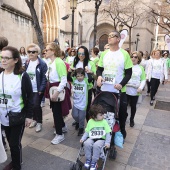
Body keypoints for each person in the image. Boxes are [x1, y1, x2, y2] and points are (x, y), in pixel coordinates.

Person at [0, 46, 33, 170]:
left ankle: (17, 166)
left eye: (6, 58)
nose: (3, 60)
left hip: (17, 116)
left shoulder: (22, 76)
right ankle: (15, 161)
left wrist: (29, 116)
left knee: (14, 144)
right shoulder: (0, 74)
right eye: (1, 57)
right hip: (2, 116)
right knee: (10, 141)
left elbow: (30, 96)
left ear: (15, 60)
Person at [97, 30, 133, 139]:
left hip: (119, 90)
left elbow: (129, 73)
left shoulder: (124, 54)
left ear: (118, 39)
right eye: (109, 36)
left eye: (113, 36)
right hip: (105, 89)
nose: (110, 37)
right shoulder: (104, 53)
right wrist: (99, 76)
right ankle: (105, 133)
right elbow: (99, 69)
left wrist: (121, 84)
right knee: (105, 112)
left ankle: (122, 129)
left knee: (121, 113)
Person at [44, 42, 71, 145]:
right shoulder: (52, 62)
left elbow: (63, 80)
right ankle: (62, 127)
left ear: (53, 51)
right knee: (56, 111)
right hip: (52, 88)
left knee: (57, 112)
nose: (45, 52)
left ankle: (60, 135)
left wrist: (57, 92)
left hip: (57, 89)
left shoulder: (59, 62)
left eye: (47, 50)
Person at [80, 104, 111, 170]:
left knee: (96, 146)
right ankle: (88, 159)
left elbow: (108, 133)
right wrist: (83, 138)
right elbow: (87, 132)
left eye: (103, 114)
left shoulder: (104, 122)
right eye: (101, 115)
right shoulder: (90, 122)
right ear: (94, 116)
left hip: (101, 139)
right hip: (91, 137)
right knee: (86, 143)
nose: (103, 116)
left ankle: (94, 162)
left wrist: (107, 143)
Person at [25, 43, 47, 132]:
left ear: (37, 53)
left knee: (36, 105)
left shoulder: (42, 63)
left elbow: (44, 78)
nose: (31, 54)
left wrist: (41, 89)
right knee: (31, 105)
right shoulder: (27, 62)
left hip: (37, 89)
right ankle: (34, 120)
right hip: (28, 89)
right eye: (29, 52)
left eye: (33, 52)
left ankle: (39, 122)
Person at [71, 46, 96, 122]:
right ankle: (78, 121)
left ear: (86, 54)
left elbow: (96, 77)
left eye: (83, 53)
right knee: (76, 105)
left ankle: (88, 123)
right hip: (77, 89)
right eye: (79, 53)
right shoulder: (75, 62)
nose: (81, 55)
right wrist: (71, 71)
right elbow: (71, 75)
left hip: (87, 89)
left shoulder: (91, 63)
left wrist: (91, 72)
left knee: (87, 107)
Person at [67, 68, 93, 136]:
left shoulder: (85, 81)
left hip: (83, 103)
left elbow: (90, 79)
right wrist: (69, 72)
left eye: (81, 76)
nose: (80, 77)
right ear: (76, 76)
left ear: (84, 76)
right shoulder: (74, 80)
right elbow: (68, 78)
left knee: (81, 117)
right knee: (74, 115)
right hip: (76, 102)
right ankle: (78, 122)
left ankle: (81, 129)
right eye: (78, 76)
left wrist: (89, 72)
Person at [126, 51, 146, 127]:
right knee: (124, 106)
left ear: (138, 59)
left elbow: (143, 79)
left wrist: (140, 87)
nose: (133, 58)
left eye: (135, 57)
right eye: (132, 57)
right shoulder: (127, 66)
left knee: (133, 106)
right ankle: (125, 117)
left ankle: (132, 119)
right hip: (126, 90)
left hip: (135, 91)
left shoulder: (140, 68)